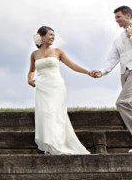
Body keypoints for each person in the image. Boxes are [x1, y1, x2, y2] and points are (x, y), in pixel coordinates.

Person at [89, 6, 132, 153]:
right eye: (115, 18)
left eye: (119, 17)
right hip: (125, 75)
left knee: (123, 102)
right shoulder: (118, 39)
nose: (117, 21)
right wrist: (101, 72)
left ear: (128, 15)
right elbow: (112, 59)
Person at [27, 26, 94, 155]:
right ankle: (50, 146)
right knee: (45, 114)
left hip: (56, 86)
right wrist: (30, 80)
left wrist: (88, 72)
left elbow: (73, 66)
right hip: (42, 87)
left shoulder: (58, 51)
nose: (52, 37)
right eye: (50, 35)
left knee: (54, 113)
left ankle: (56, 146)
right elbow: (31, 71)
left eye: (54, 35)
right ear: (41, 36)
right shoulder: (34, 54)